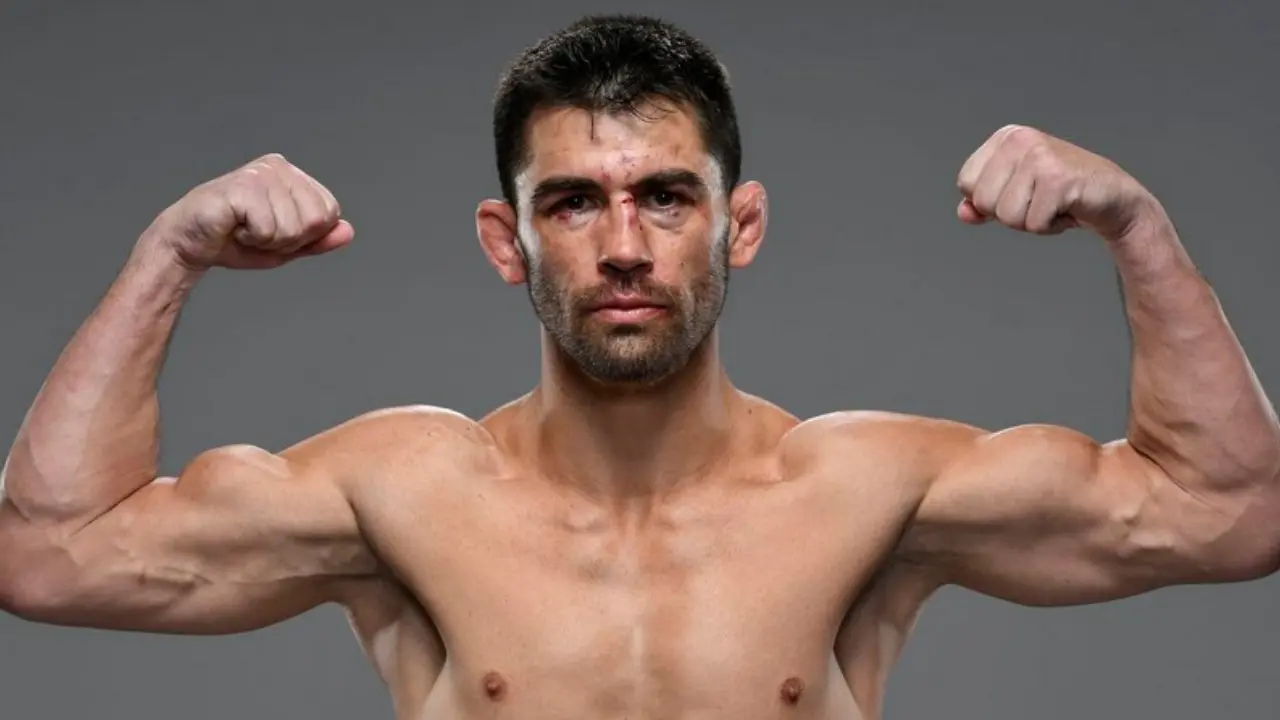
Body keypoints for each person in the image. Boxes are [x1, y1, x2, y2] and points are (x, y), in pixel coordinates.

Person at [1, 13, 1277, 720]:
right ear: (505, 241)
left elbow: (1227, 512)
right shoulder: (403, 493)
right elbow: (51, 554)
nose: (621, 245)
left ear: (739, 226)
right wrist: (169, 254)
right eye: (571, 203)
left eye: (665, 196)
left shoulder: (862, 491)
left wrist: (1137, 229)